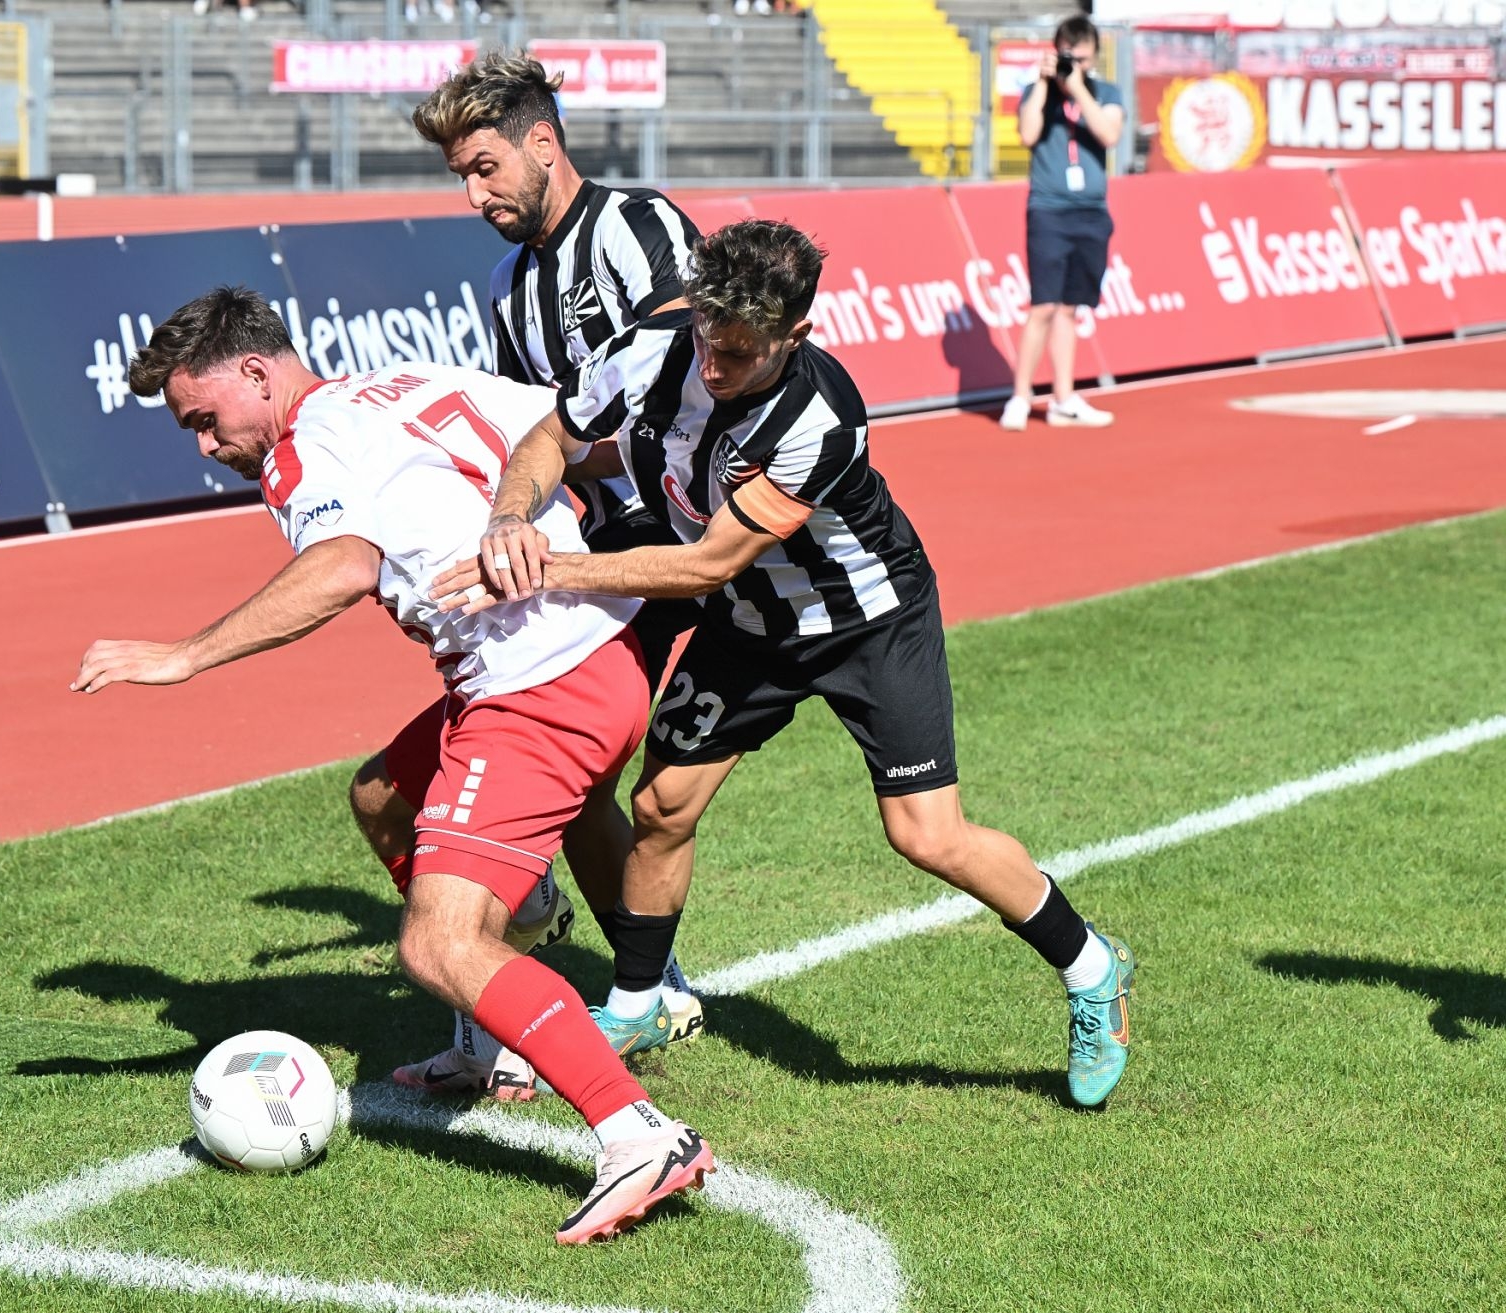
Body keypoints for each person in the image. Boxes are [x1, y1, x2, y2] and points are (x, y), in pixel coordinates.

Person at [436, 220, 1138, 1109]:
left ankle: (1091, 966)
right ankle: (640, 1004)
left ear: (795, 334)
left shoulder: (821, 416)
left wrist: (549, 566)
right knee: (661, 805)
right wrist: (509, 517)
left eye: (738, 352)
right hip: (750, 621)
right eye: (706, 337)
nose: (713, 365)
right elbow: (552, 435)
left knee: (927, 835)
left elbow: (704, 564)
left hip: (866, 622)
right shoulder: (655, 344)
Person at [71, 285, 714, 1242]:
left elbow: (342, 566)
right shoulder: (403, 384)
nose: (206, 447)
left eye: (204, 420)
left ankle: (638, 1134)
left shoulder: (298, 450)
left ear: (256, 373)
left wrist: (183, 655)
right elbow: (570, 437)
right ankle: (493, 1034)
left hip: (537, 688)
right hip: (594, 655)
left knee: (437, 943)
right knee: (382, 796)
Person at [357, 50, 706, 1097]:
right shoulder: (514, 291)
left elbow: (685, 382)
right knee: (581, 776)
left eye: (485, 168)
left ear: (542, 145)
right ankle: (647, 980)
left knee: (623, 777)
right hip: (593, 559)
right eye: (461, 176)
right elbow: (526, 434)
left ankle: (633, 974)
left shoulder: (639, 228)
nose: (476, 195)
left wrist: (574, 462)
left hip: (688, 547)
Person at [999, 14, 1125, 433]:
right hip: (1049, 210)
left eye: (1084, 60)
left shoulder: (1106, 92)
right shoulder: (1039, 92)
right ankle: (1020, 396)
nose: (1076, 66)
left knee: (1070, 308)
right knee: (1043, 306)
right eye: (1071, 59)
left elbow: (1109, 134)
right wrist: (1044, 83)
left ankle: (1064, 398)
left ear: (1095, 58)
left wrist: (1078, 86)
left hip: (1091, 210)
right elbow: (1028, 133)